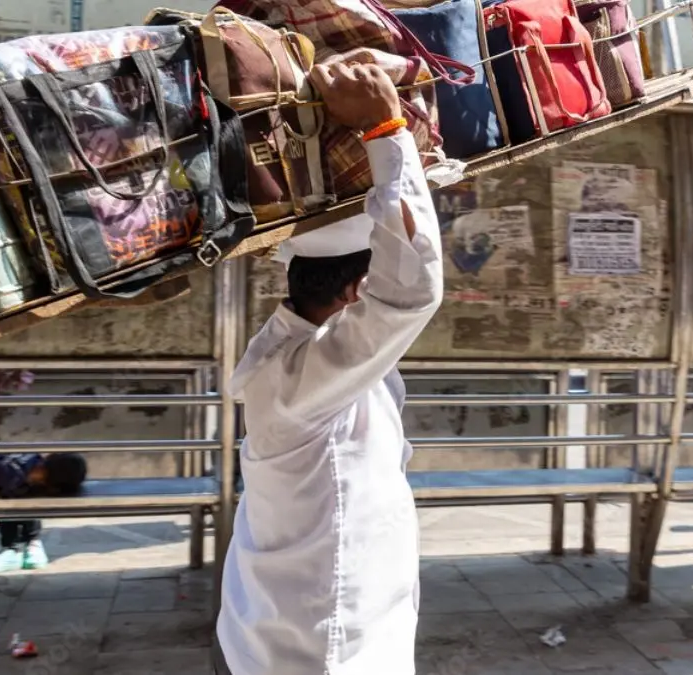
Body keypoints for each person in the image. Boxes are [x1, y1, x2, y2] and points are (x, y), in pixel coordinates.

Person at [215, 61, 443, 675]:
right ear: (357, 290)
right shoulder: (303, 383)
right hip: (323, 652)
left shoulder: (295, 363)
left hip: (284, 639)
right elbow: (413, 292)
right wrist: (384, 129)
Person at [0, 370, 50, 576]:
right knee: (6, 475)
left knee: (27, 474)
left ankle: (30, 542)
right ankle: (12, 546)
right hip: (0, 409)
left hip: (21, 409)